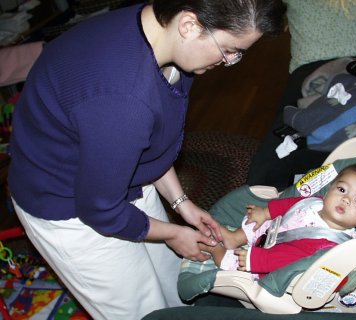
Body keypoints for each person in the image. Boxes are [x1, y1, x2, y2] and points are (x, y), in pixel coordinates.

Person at [7, 0, 286, 319]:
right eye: (229, 50)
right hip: (68, 206)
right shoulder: (123, 100)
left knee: (171, 280)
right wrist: (173, 232)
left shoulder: (163, 36)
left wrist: (183, 205)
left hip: (118, 177)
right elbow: (101, 209)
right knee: (143, 309)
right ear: (190, 25)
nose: (230, 61)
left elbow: (149, 144)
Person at [200, 163, 356, 276]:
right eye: (342, 190)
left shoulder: (328, 245)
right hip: (274, 232)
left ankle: (216, 250)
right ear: (329, 190)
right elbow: (291, 204)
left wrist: (256, 259)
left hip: (269, 263)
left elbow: (289, 260)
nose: (346, 199)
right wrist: (266, 213)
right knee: (257, 222)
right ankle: (235, 238)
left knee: (236, 265)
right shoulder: (317, 202)